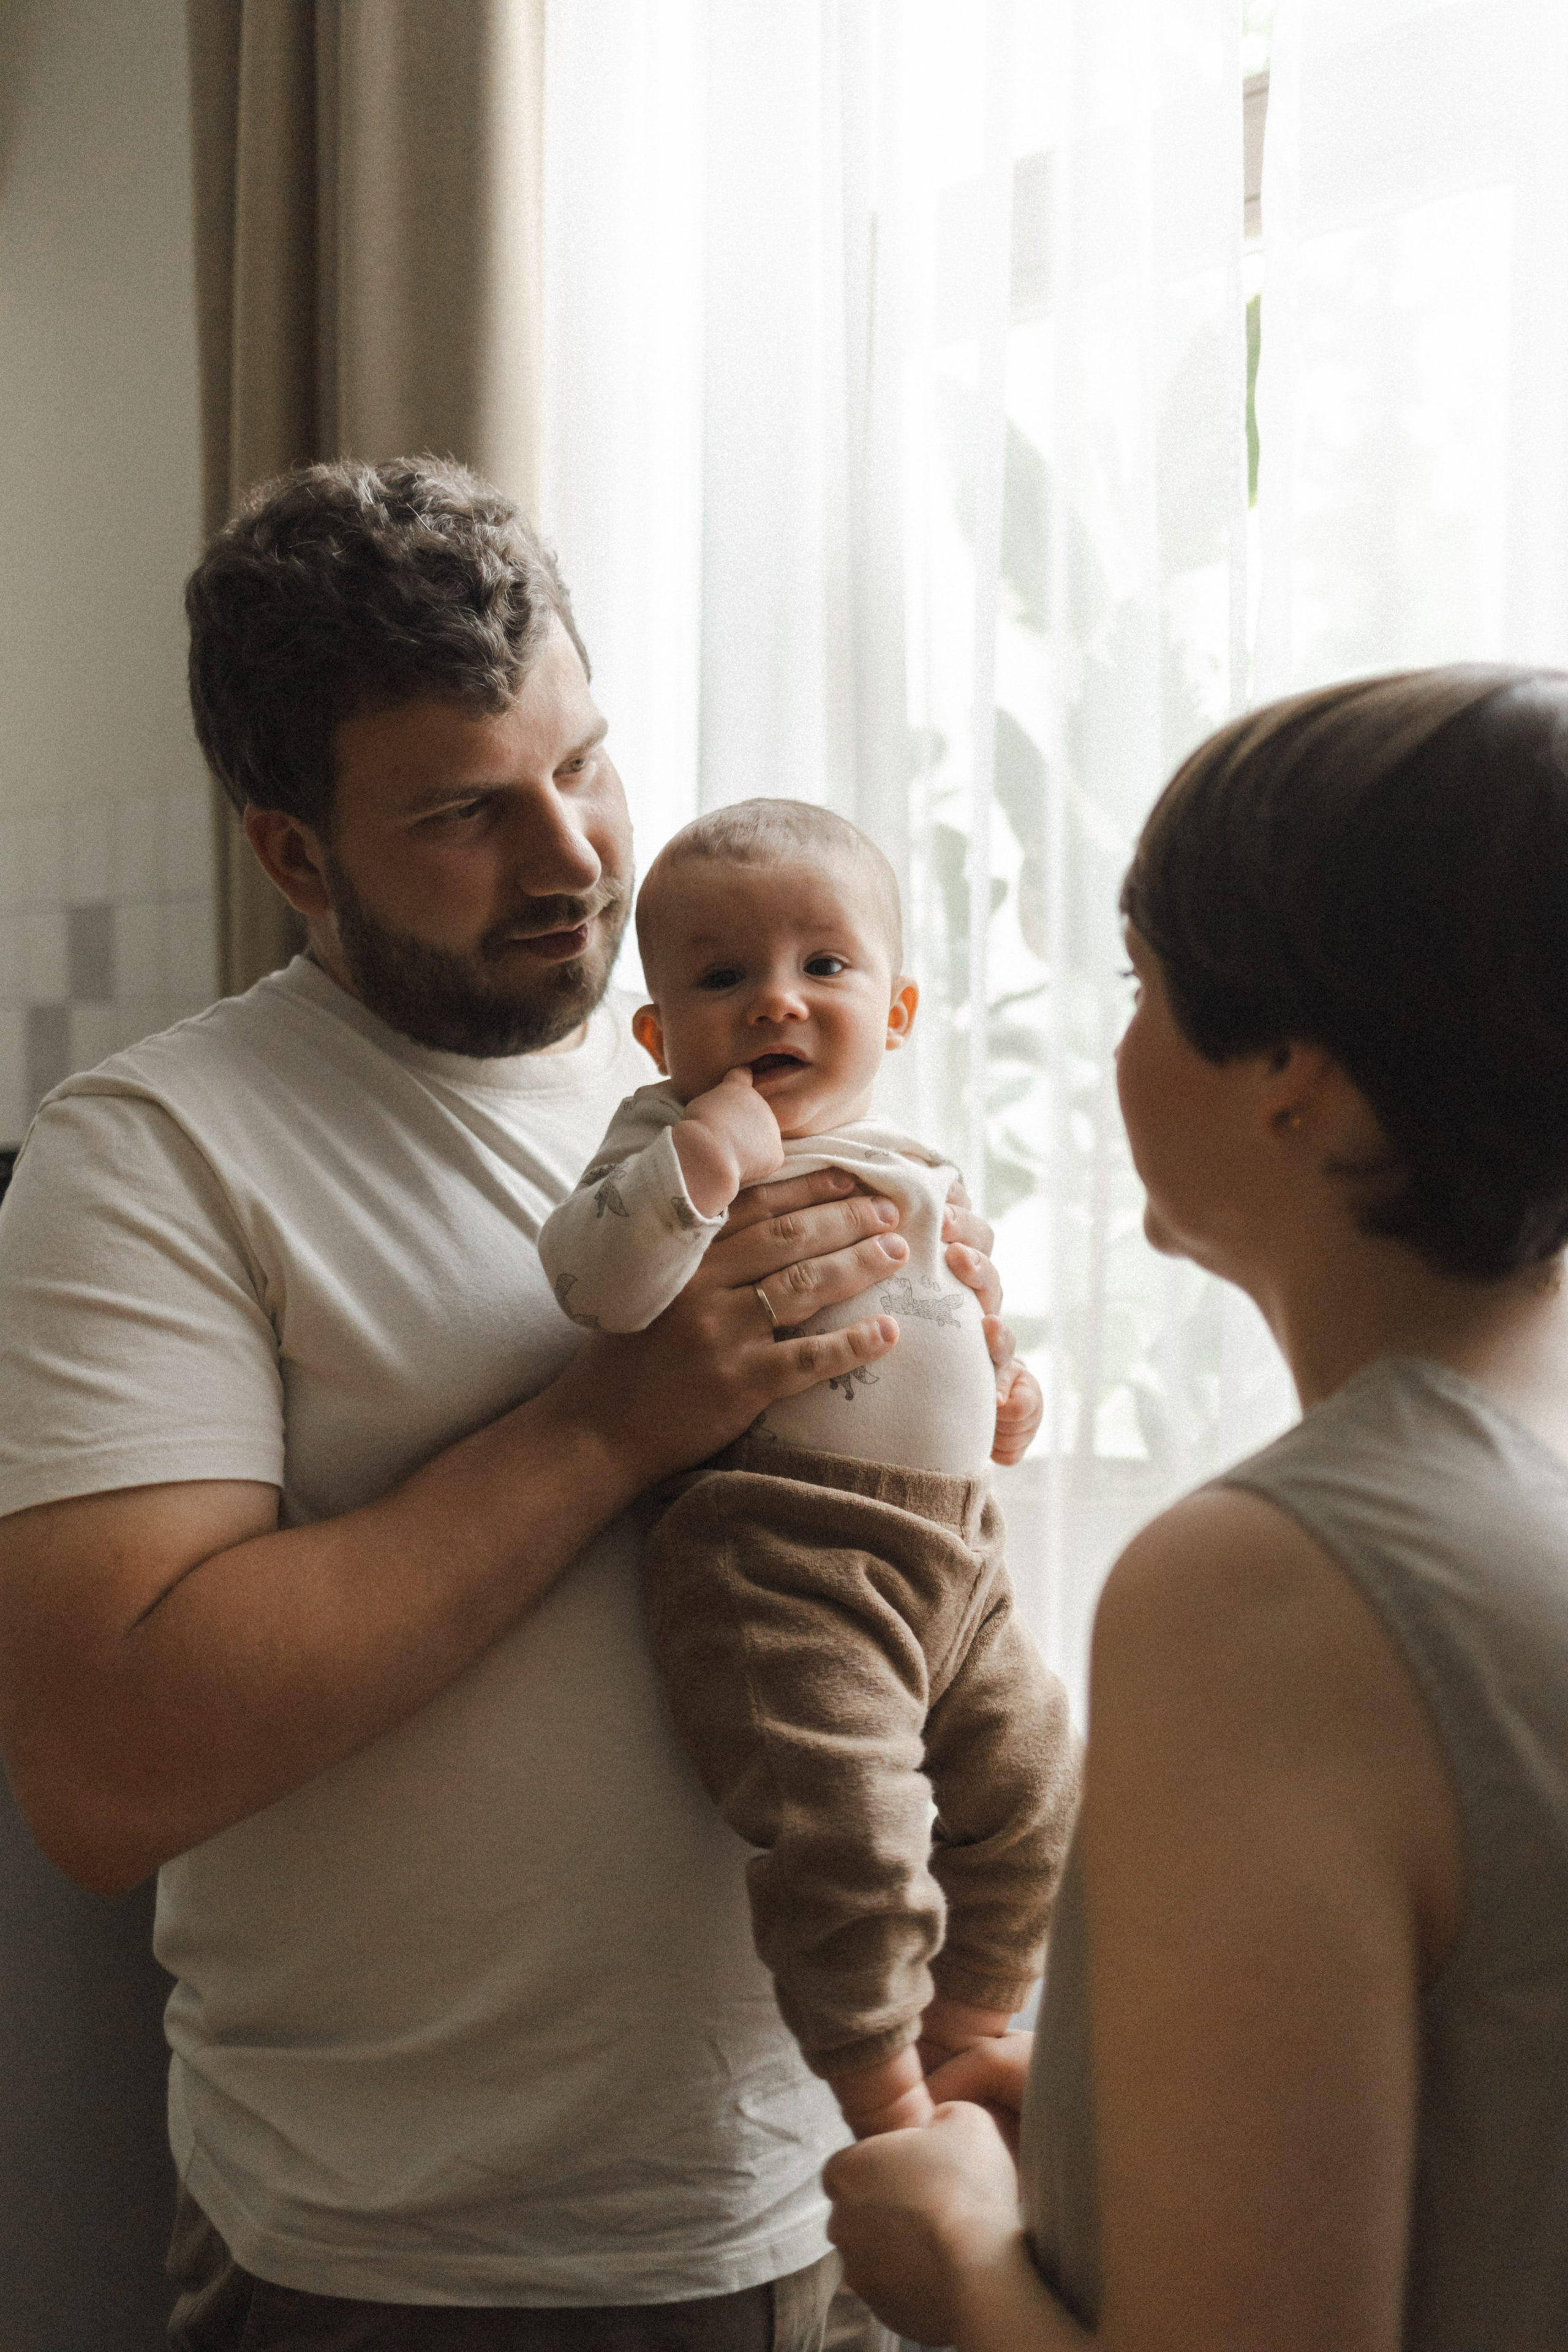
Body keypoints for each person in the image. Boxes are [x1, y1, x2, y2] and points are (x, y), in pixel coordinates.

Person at [0, 456, 1044, 2352]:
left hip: (818, 2211)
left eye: (585, 763)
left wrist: (951, 1399)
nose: (574, 855)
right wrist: (611, 1420)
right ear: (294, 855)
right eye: (469, 811)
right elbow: (103, 1767)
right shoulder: (150, 1157)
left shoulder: (731, 1050)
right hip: (407, 2266)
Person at [824, 665, 1568, 2352]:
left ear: (1291, 1069)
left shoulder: (1271, 1590)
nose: (1119, 1045)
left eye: (1139, 983)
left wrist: (956, 2255)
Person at [538, 801, 1080, 2141]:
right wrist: (701, 1162)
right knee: (845, 1820)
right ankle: (880, 2093)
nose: (774, 1002)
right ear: (662, 1037)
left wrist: (1004, 1388)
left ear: (892, 1012)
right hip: (778, 1546)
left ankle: (963, 2029)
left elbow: (958, 1318)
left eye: (819, 968)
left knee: (1039, 1787)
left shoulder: (912, 1163)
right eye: (723, 979)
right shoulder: (659, 1147)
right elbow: (595, 1284)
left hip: (959, 1550)